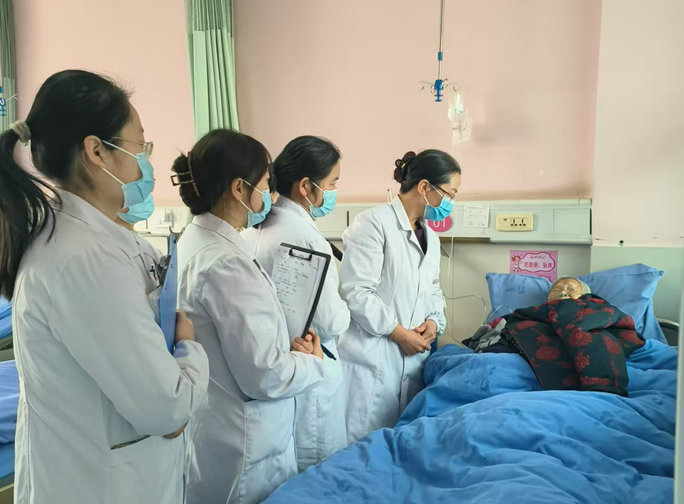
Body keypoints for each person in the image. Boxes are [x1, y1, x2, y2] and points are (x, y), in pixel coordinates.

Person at [0, 70, 209, 504]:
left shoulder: (105, 241)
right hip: (99, 486)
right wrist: (189, 345)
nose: (145, 162)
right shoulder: (82, 260)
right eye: (141, 146)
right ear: (96, 151)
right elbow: (167, 410)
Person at [171, 129, 326, 504]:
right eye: (265, 182)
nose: (270, 192)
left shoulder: (195, 241)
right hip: (245, 446)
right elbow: (265, 374)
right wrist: (312, 362)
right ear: (240, 189)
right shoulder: (225, 263)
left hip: (216, 428)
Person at [243, 135, 351, 470]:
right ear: (306, 186)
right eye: (332, 183)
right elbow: (330, 322)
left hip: (277, 366)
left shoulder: (256, 227)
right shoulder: (304, 238)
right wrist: (346, 308)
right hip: (307, 369)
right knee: (317, 471)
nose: (334, 192)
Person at [338, 149, 461, 443]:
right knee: (362, 446)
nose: (450, 204)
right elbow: (356, 292)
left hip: (413, 359)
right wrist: (398, 332)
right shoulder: (372, 223)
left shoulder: (431, 237)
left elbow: (433, 289)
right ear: (425, 187)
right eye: (449, 194)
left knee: (399, 447)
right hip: (372, 360)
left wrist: (434, 322)